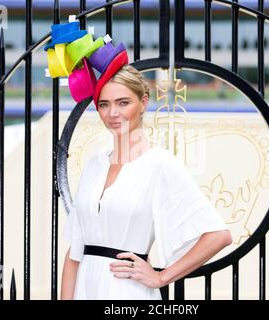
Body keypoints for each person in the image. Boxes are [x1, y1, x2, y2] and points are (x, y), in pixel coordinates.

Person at [60, 64, 232, 300]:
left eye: (123, 102)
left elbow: (219, 235)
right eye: (104, 104)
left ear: (143, 103)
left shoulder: (160, 165)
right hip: (84, 290)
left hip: (128, 293)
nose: (112, 113)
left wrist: (161, 278)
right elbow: (74, 254)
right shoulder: (94, 166)